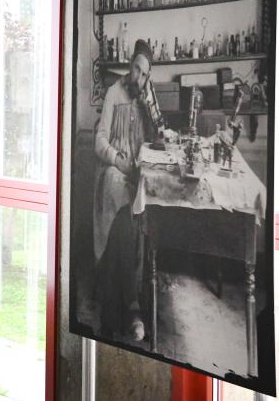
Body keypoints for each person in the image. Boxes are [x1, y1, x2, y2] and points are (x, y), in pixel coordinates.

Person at [93, 39, 157, 342]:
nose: (139, 78)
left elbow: (158, 139)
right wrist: (117, 159)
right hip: (114, 171)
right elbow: (99, 141)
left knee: (130, 215)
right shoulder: (112, 94)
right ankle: (132, 309)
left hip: (137, 176)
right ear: (130, 64)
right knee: (120, 205)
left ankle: (112, 310)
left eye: (145, 75)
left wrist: (147, 105)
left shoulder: (146, 97)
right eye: (137, 70)